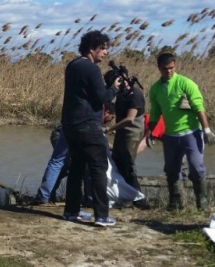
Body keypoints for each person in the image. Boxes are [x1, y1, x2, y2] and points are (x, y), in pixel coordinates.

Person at [60, 30, 120, 227]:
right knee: (98, 168)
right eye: (103, 49)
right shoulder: (92, 69)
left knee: (77, 167)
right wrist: (114, 88)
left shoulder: (73, 65)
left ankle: (72, 211)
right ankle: (102, 215)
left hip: (70, 124)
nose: (105, 53)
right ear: (92, 49)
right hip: (88, 124)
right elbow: (103, 97)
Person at [147, 52, 215, 211]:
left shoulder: (186, 83)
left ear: (175, 66)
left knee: (196, 167)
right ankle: (176, 204)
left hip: (191, 133)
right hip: (170, 136)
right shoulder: (155, 89)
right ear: (159, 68)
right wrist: (150, 133)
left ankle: (202, 203)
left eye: (171, 68)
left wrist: (207, 130)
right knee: (171, 170)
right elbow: (155, 112)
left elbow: (199, 107)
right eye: (165, 69)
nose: (169, 71)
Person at [104, 69, 151, 209]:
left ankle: (139, 199)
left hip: (132, 133)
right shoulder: (121, 94)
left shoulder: (135, 94)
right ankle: (125, 196)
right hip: (121, 133)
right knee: (118, 164)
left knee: (128, 166)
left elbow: (130, 119)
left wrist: (108, 129)